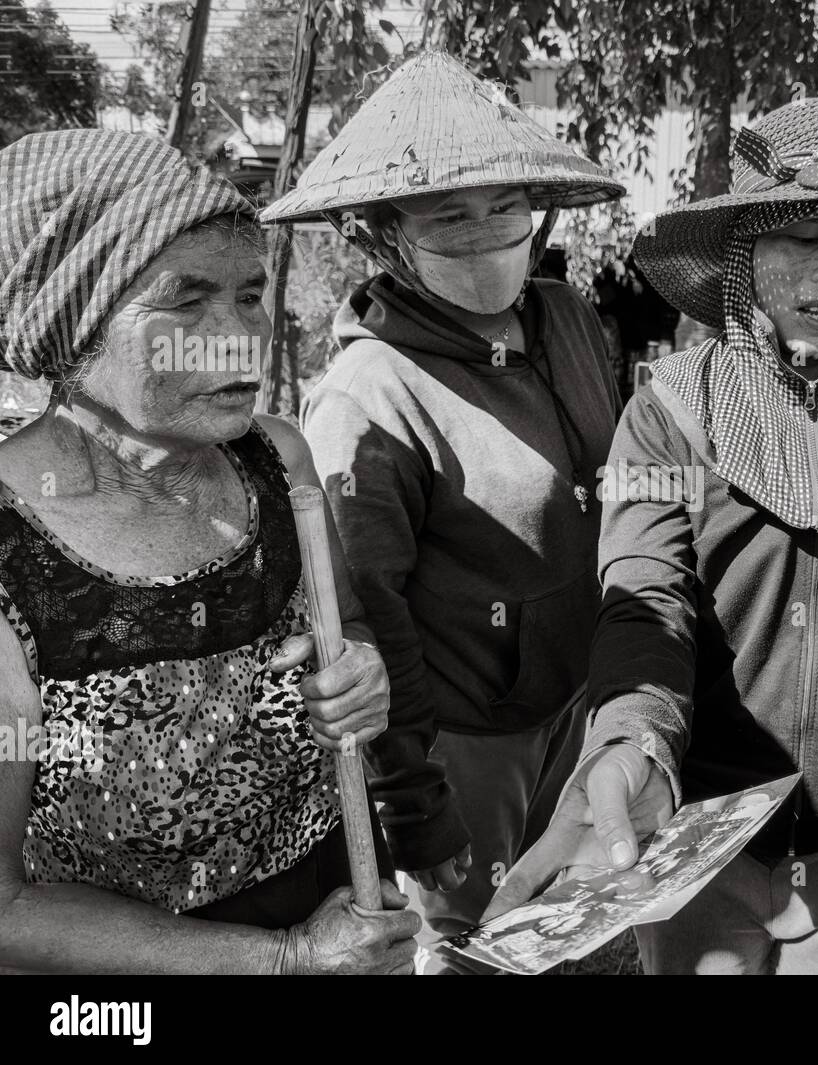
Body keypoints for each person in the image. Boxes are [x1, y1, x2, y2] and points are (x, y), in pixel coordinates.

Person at [487, 97, 818, 974]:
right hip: (703, 833)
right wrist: (633, 738)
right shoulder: (669, 412)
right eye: (801, 240)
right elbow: (645, 594)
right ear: (745, 249)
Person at [0, 130, 418, 973]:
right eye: (185, 302)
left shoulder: (278, 461)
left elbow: (352, 627)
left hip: (344, 916)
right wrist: (287, 958)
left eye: (250, 295)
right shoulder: (12, 551)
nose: (235, 338)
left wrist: (360, 676)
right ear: (76, 324)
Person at [260, 50, 626, 974]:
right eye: (448, 216)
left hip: (576, 700)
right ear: (385, 235)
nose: (486, 233)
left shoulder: (568, 317)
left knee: (574, 918)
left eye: (505, 206)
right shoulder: (368, 392)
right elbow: (365, 616)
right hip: (465, 736)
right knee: (479, 941)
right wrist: (417, 806)